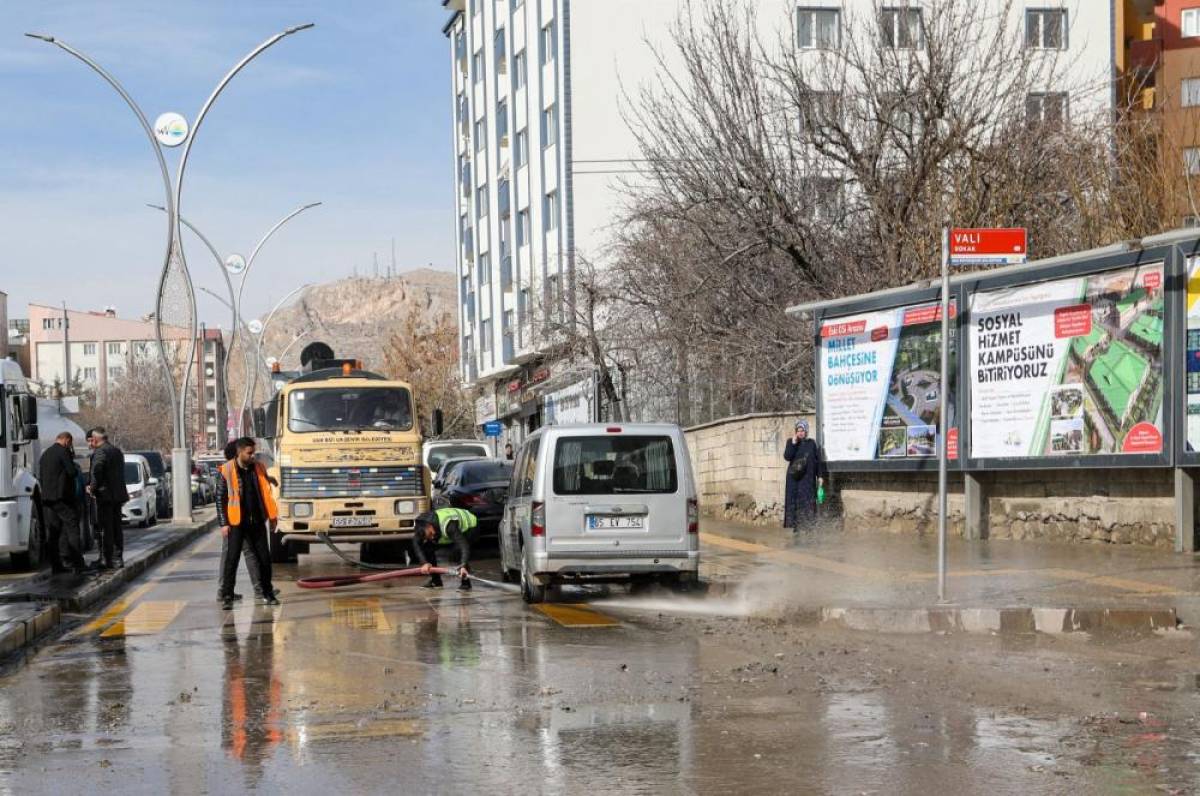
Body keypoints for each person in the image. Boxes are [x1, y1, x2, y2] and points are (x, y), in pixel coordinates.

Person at [215, 437, 279, 610]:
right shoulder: (226, 470)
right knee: (232, 559)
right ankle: (227, 595)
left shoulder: (258, 468)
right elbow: (220, 498)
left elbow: (266, 492)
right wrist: (224, 523)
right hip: (236, 523)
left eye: (254, 453)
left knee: (264, 559)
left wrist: (272, 518)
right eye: (249, 453)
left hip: (257, 522)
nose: (253, 456)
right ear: (239, 452)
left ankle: (268, 592)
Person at [39, 432, 89, 575]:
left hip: (48, 498)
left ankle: (56, 565)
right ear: (66, 440)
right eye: (70, 443)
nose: (70, 446)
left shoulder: (45, 454)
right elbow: (72, 472)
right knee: (72, 525)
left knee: (54, 531)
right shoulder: (63, 452)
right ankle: (77, 563)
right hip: (61, 498)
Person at [86, 427, 128, 570]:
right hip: (118, 495)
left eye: (91, 440)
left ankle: (106, 559)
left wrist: (92, 486)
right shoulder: (116, 451)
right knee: (116, 528)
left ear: (96, 439)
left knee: (105, 528)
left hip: (105, 496)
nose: (90, 443)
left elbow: (97, 469)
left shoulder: (100, 452)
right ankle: (118, 558)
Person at [411, 508, 477, 591]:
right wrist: (424, 563)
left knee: (456, 552)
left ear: (430, 526)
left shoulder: (449, 525)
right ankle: (436, 581)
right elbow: (417, 545)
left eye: (431, 534)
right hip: (447, 530)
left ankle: (465, 583)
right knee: (427, 548)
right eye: (428, 537)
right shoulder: (421, 528)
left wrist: (463, 565)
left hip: (470, 526)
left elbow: (463, 546)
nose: (432, 537)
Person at [783, 419, 826, 533]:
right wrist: (793, 443)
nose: (801, 432)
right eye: (798, 430)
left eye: (803, 430)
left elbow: (817, 461)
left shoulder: (811, 443)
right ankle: (796, 529)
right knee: (795, 503)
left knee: (808, 503)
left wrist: (820, 476)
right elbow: (787, 456)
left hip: (808, 480)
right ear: (796, 431)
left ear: (806, 431)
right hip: (794, 480)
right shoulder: (791, 442)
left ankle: (809, 528)